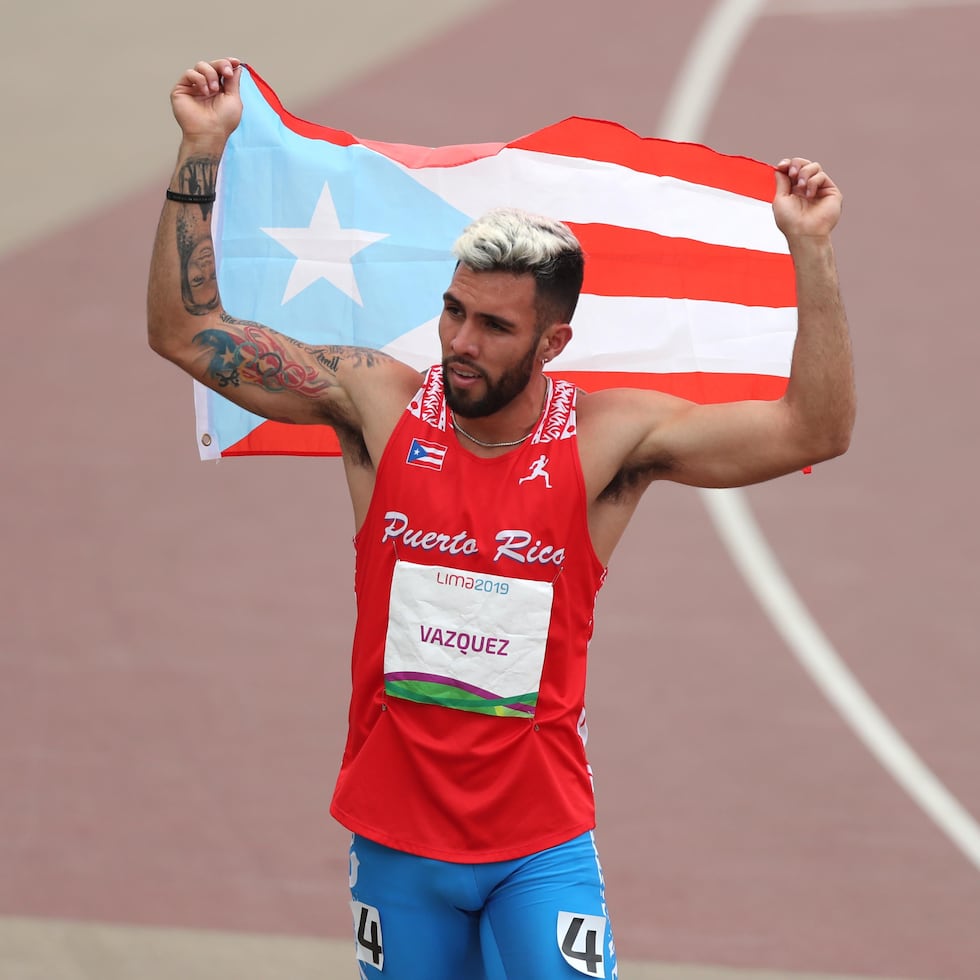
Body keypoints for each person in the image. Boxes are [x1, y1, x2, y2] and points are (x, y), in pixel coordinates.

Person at [148, 57, 855, 980]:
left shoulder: (610, 442)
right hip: (397, 843)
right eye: (452, 312)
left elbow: (817, 428)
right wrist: (201, 149)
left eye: (493, 327)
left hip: (539, 850)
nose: (459, 343)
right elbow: (183, 328)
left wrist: (812, 252)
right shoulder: (378, 408)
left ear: (554, 341)